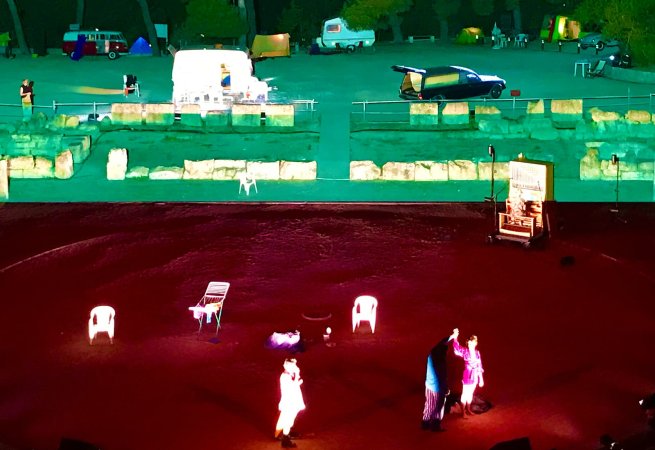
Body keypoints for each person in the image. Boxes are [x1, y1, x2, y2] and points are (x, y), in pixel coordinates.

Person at [422, 328, 459, 432]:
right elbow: (441, 377)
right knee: (439, 407)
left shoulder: (431, 354)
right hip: (438, 389)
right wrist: (446, 389)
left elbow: (441, 342)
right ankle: (435, 425)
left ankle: (425, 423)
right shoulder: (440, 363)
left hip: (429, 385)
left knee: (429, 405)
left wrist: (453, 336)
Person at [275, 358, 305, 448]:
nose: (296, 367)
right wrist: (297, 375)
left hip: (292, 400)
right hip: (290, 402)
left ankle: (286, 433)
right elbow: (293, 386)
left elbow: (293, 385)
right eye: (294, 366)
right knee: (288, 420)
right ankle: (285, 439)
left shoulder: (288, 375)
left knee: (289, 419)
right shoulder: (285, 377)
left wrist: (297, 378)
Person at [453, 334, 484, 418]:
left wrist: (481, 378)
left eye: (473, 343)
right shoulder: (465, 351)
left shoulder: (477, 353)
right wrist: (455, 338)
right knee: (465, 393)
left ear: (475, 343)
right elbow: (457, 349)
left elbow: (479, 365)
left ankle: (468, 409)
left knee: (470, 393)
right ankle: (463, 412)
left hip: (475, 376)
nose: (471, 344)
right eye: (470, 343)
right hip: (467, 375)